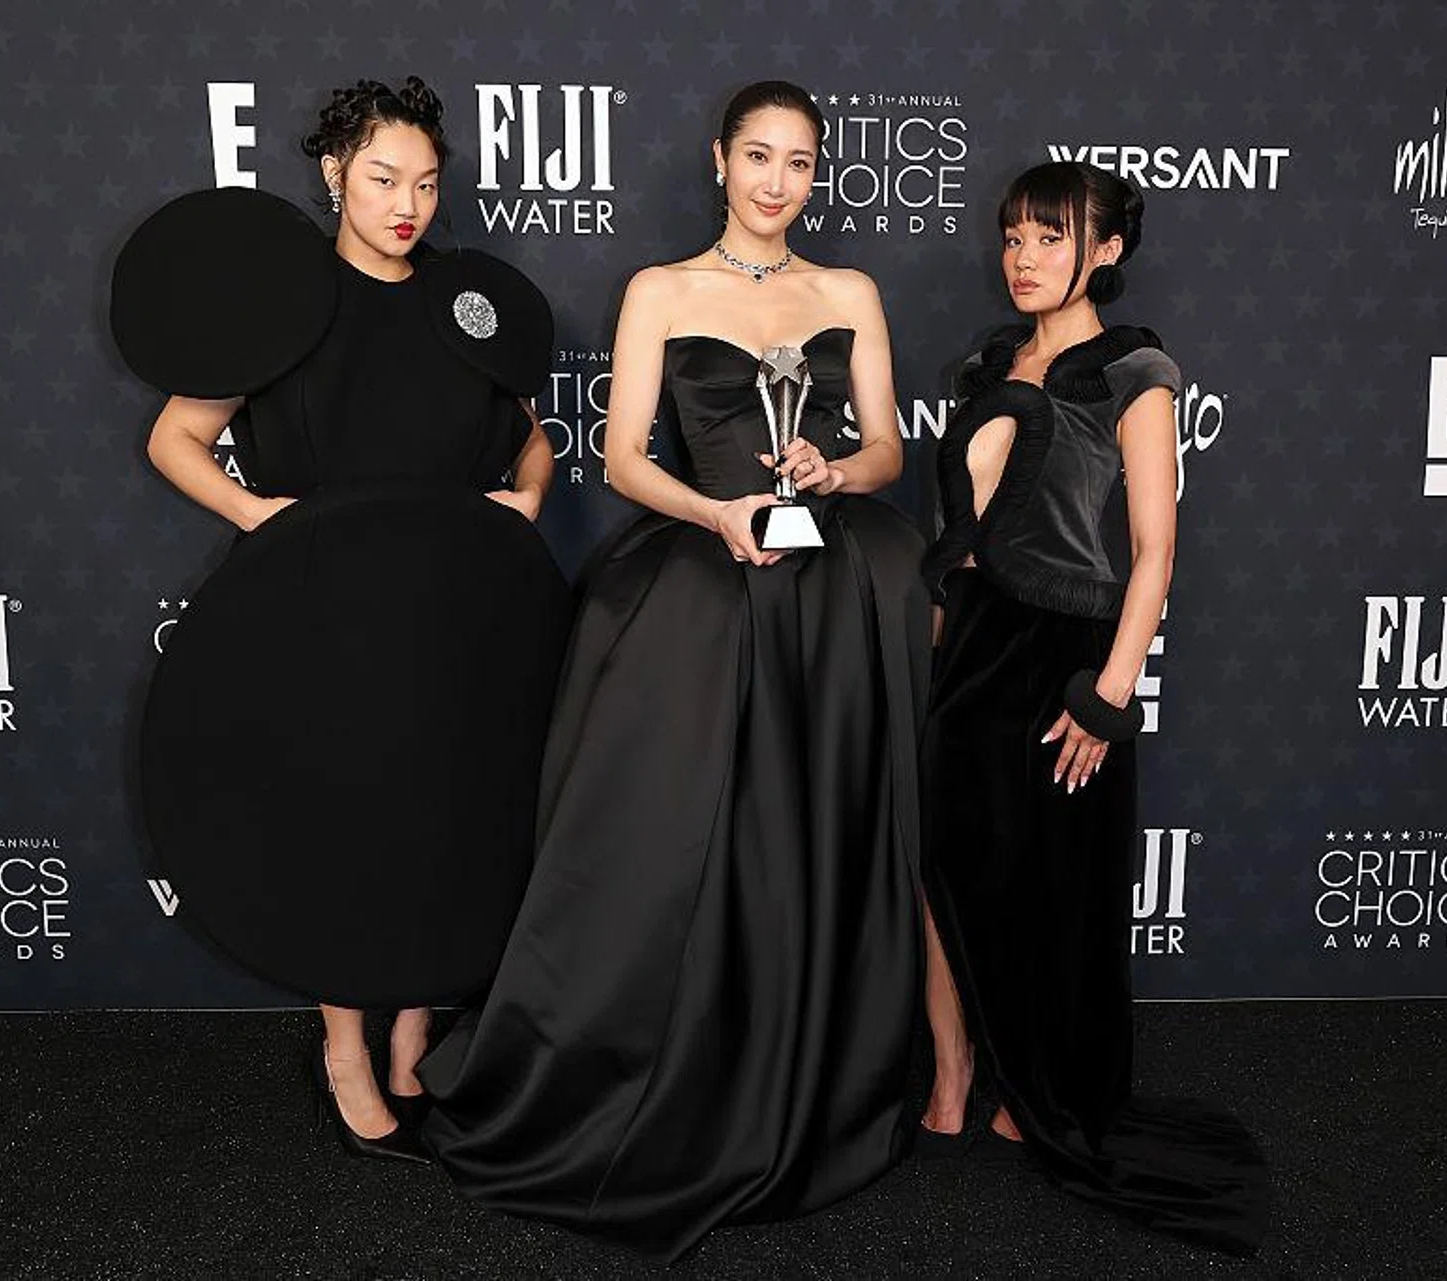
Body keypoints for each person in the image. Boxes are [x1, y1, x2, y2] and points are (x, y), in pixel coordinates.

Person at [419, 80, 930, 1259]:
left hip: (830, 582)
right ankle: (641, 1061)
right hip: (705, 563)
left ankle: (805, 1058)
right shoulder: (660, 289)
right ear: (719, 159)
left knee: (809, 824)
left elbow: (893, 444)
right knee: (679, 826)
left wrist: (839, 471)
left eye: (800, 163)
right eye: (758, 156)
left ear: (817, 175)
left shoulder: (849, 292)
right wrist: (716, 511)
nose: (777, 181)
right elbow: (619, 457)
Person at [115, 79, 568, 1161]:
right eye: (381, 179)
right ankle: (346, 1052)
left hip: (456, 617)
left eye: (424, 182)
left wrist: (532, 497)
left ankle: (414, 1035)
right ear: (333, 177)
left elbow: (531, 437)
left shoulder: (467, 303)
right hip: (317, 617)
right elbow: (175, 438)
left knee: (452, 815)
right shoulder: (279, 298)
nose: (406, 202)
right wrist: (258, 516)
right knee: (342, 821)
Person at [915, 161, 1268, 1254]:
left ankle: (1036, 1087)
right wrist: (939, 650)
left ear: (1105, 252)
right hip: (970, 644)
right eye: (1014, 236)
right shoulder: (986, 362)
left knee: (1047, 883)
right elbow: (961, 534)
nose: (1024, 257)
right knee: (946, 864)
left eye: (1051, 238)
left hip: (1066, 654)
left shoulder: (1136, 369)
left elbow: (1155, 553)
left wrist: (1107, 701)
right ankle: (952, 1072)